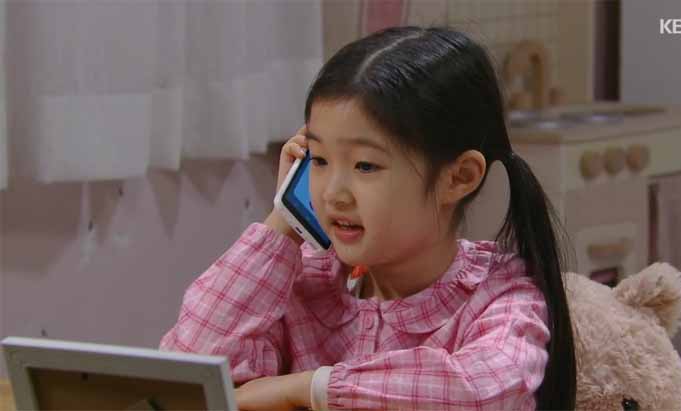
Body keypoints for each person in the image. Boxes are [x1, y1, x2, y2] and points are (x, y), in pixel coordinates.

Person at [160, 26, 576, 411]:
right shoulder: (303, 281)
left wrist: (306, 388)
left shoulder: (502, 295)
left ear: (459, 178)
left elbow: (478, 391)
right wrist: (284, 222)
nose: (333, 194)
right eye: (319, 160)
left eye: (365, 166)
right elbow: (190, 368)